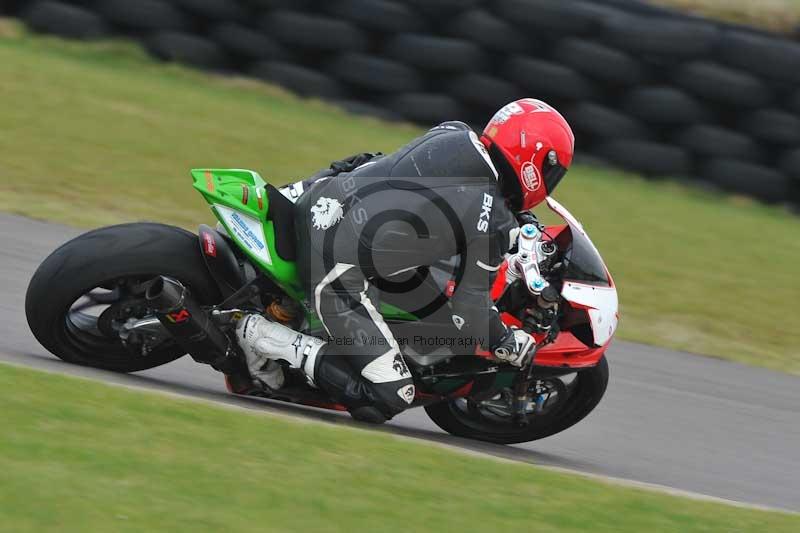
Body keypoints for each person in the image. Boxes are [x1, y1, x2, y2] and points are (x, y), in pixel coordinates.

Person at [236, 98, 575, 423]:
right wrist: (506, 342)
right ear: (534, 165)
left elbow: (374, 161)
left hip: (320, 200)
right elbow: (469, 308)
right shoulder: (494, 220)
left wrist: (521, 220)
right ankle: (262, 335)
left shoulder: (454, 133)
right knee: (390, 395)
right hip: (335, 267)